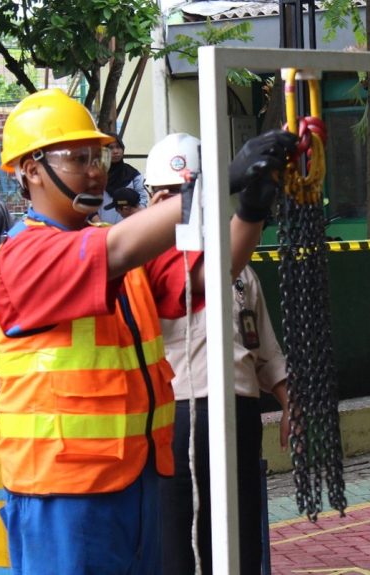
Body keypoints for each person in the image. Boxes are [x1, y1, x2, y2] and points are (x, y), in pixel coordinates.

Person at [0, 88, 296, 575]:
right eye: (77, 157)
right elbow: (115, 250)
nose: (94, 170)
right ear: (30, 168)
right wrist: (216, 182)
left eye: (100, 156)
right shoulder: (24, 257)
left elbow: (207, 278)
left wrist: (250, 213)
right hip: (65, 492)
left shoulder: (114, 249)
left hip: (135, 478)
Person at [148, 133, 289, 575]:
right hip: (180, 415)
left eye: (187, 192)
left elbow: (263, 349)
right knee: (180, 546)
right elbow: (208, 272)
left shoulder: (241, 269)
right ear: (153, 200)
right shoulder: (145, 261)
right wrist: (248, 210)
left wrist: (290, 402)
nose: (180, 203)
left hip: (238, 414)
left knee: (240, 541)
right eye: (169, 194)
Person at [97, 135, 148, 224]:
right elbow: (88, 202)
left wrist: (136, 218)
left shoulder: (132, 174)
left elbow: (143, 199)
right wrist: (99, 223)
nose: (116, 151)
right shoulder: (96, 175)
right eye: (111, 148)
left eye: (118, 147)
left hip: (129, 227)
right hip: (101, 229)